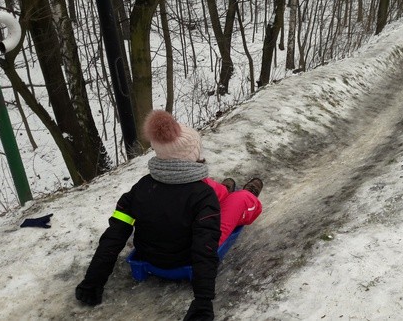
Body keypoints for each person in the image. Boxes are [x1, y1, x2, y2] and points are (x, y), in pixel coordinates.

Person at [75, 110, 263, 321]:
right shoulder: (202, 196)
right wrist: (203, 301)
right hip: (185, 257)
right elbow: (205, 247)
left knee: (207, 189)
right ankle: (245, 196)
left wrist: (93, 281)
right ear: (193, 155)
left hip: (148, 255)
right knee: (240, 200)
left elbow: (115, 235)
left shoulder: (140, 188)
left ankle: (224, 190)